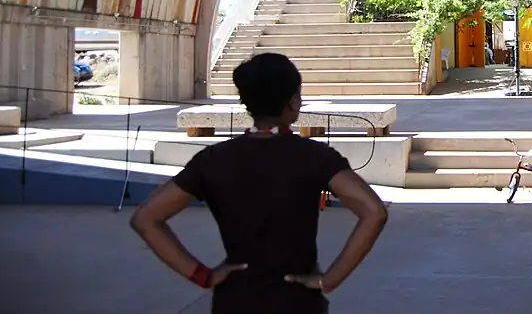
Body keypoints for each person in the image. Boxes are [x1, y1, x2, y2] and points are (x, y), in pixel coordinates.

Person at [130, 53, 388, 313]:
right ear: (292, 102)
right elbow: (374, 212)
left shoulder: (212, 160)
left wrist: (202, 275)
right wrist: (329, 280)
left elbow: (146, 219)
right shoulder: (316, 157)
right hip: (296, 301)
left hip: (235, 300)